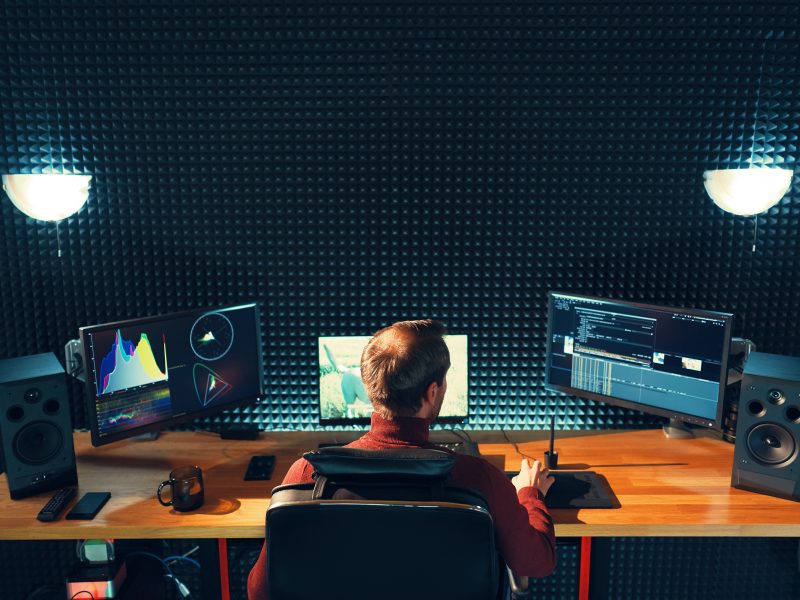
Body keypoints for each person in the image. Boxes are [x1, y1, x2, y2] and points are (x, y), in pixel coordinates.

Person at [247, 319, 556, 599]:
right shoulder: (478, 478)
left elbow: (259, 591)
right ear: (432, 392)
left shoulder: (308, 474)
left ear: (368, 386)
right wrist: (530, 495)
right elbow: (538, 563)